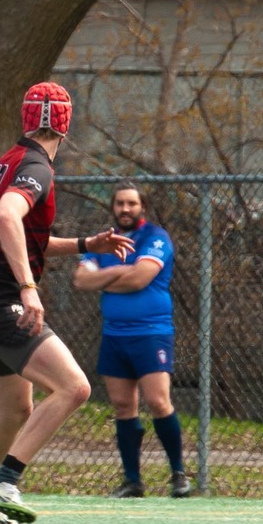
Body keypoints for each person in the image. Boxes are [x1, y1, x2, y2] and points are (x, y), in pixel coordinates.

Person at [0, 82, 134, 524]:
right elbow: (7, 217)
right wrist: (28, 287)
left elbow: (23, 235)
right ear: (66, 125)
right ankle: (5, 483)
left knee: (15, 409)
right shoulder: (37, 166)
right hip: (0, 302)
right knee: (74, 388)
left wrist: (85, 244)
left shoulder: (13, 159)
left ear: (26, 118)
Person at [73, 180, 190, 498]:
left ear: (142, 207)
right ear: (113, 207)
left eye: (131, 203)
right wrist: (119, 272)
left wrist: (103, 278)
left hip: (151, 333)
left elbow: (140, 278)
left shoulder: (155, 237)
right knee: (124, 406)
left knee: (158, 402)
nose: (125, 209)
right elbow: (80, 280)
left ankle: (178, 475)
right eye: (120, 203)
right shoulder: (103, 242)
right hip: (114, 335)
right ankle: (132, 481)